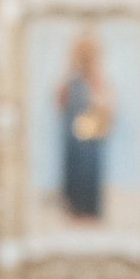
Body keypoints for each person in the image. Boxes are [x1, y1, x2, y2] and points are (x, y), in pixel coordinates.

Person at [56, 35, 111, 222]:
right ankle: (74, 210)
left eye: (89, 56)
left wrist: (100, 115)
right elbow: (60, 102)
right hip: (73, 139)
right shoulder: (71, 82)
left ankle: (90, 210)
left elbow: (106, 107)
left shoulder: (97, 81)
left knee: (89, 173)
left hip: (92, 140)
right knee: (74, 172)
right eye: (82, 56)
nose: (85, 61)